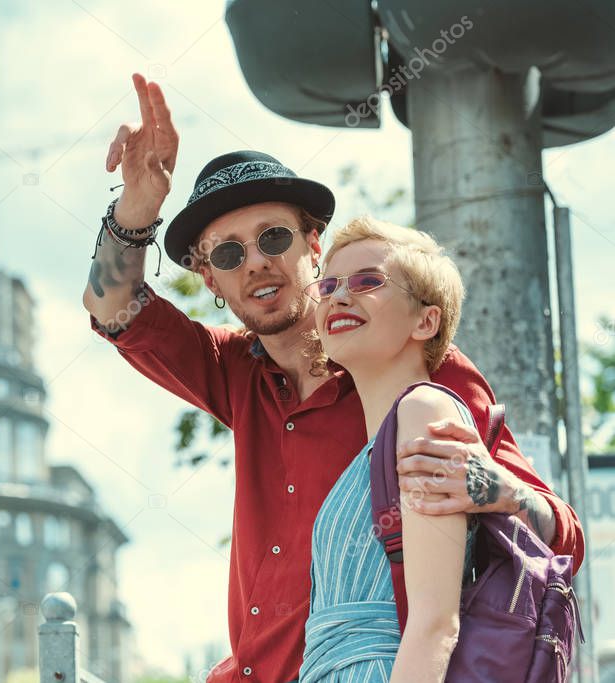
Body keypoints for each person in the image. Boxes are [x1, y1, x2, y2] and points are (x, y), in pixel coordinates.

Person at [83, 73, 584, 683]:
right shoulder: (233, 371)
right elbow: (114, 308)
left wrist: (503, 490)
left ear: (313, 244)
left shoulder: (420, 373)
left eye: (273, 237)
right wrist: (134, 212)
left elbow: (564, 537)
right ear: (210, 281)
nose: (257, 262)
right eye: (228, 254)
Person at [299, 216, 477, 682]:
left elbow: (436, 623)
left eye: (367, 282)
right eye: (329, 285)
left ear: (426, 320)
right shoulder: (382, 440)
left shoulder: (424, 411)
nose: (339, 295)